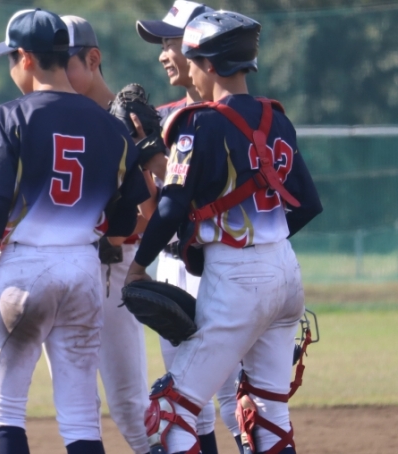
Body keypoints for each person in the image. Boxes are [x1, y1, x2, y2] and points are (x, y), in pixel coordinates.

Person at [125, 10, 322, 454]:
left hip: (236, 279)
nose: (188, 66)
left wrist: (138, 267)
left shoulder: (198, 122)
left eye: (192, 58)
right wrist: (262, 244)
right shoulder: (276, 118)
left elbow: (171, 206)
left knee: (171, 412)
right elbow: (307, 204)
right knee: (269, 416)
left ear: (210, 64)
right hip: (286, 273)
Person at [0, 8, 150, 454]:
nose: (11, 67)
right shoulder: (111, 126)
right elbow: (127, 217)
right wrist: (102, 238)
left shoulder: (11, 116)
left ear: (27, 58)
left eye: (11, 58)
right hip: (85, 270)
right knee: (81, 414)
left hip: (26, 265)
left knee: (5, 408)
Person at [136, 2, 243, 452]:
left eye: (171, 42)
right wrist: (140, 152)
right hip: (172, 264)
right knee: (186, 400)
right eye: (161, 44)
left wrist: (152, 154)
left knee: (233, 397)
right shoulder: (161, 119)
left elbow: (192, 195)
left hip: (218, 261)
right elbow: (155, 209)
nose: (164, 54)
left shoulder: (232, 116)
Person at [61, 14, 155, 454]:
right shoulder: (54, 117)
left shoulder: (125, 119)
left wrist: (110, 238)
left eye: (63, 62)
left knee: (129, 403)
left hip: (113, 270)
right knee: (77, 403)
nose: (53, 72)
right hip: (67, 271)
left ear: (93, 59)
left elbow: (151, 213)